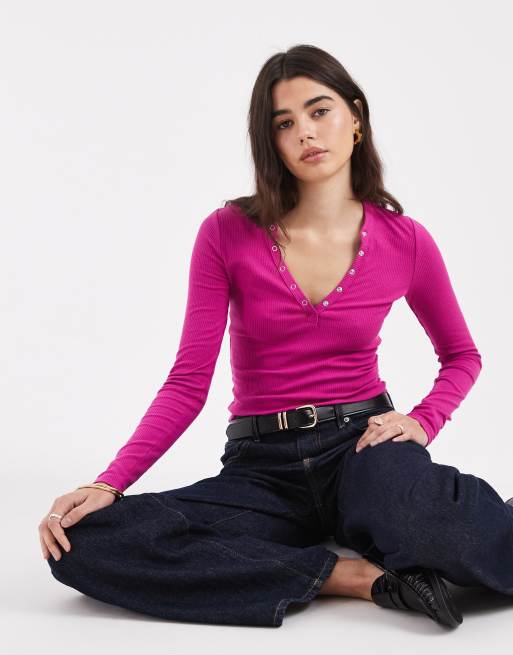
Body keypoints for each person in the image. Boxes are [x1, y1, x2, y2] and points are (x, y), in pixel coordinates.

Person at [40, 44, 513, 629]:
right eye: (284, 123)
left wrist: (422, 421)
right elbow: (188, 382)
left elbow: (462, 355)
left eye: (320, 111)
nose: (305, 132)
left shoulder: (405, 240)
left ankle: (470, 520)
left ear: (356, 118)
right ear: (271, 143)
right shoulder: (226, 232)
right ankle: (350, 576)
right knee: (82, 542)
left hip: (363, 449)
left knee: (455, 533)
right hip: (263, 469)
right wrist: (109, 483)